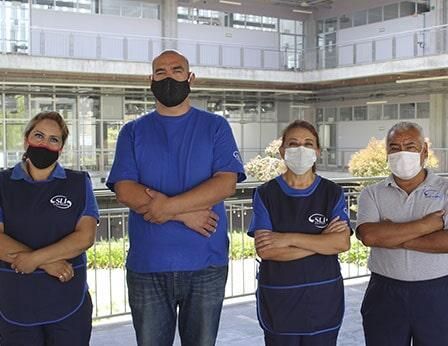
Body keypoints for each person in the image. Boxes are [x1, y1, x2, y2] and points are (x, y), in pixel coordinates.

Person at [106, 49, 245, 346]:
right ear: (150, 81)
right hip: (147, 267)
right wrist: (184, 214)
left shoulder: (215, 126)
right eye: (161, 72)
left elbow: (226, 184)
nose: (168, 76)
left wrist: (166, 208)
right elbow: (124, 189)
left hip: (206, 265)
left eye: (177, 70)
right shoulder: (132, 132)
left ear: (190, 78)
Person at [248, 120, 351, 346]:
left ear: (317, 151)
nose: (300, 149)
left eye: (308, 143)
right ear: (282, 151)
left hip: (323, 300)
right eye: (293, 144)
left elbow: (342, 243)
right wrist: (322, 242)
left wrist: (287, 238)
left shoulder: (331, 192)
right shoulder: (266, 194)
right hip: (280, 302)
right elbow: (266, 250)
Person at [0, 111, 99, 346]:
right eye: (39, 136)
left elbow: (85, 237)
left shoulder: (78, 182)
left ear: (61, 148)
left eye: (54, 139)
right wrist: (47, 263)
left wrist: (35, 259)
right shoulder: (2, 184)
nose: (45, 143)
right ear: (26, 140)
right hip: (15, 301)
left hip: (68, 300)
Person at [356, 121, 448, 346]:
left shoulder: (445, 190)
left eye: (410, 146)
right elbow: (369, 236)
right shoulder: (371, 194)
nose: (402, 153)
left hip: (438, 292)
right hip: (384, 292)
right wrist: (427, 225)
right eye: (394, 147)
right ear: (387, 152)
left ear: (424, 151)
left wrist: (391, 236)